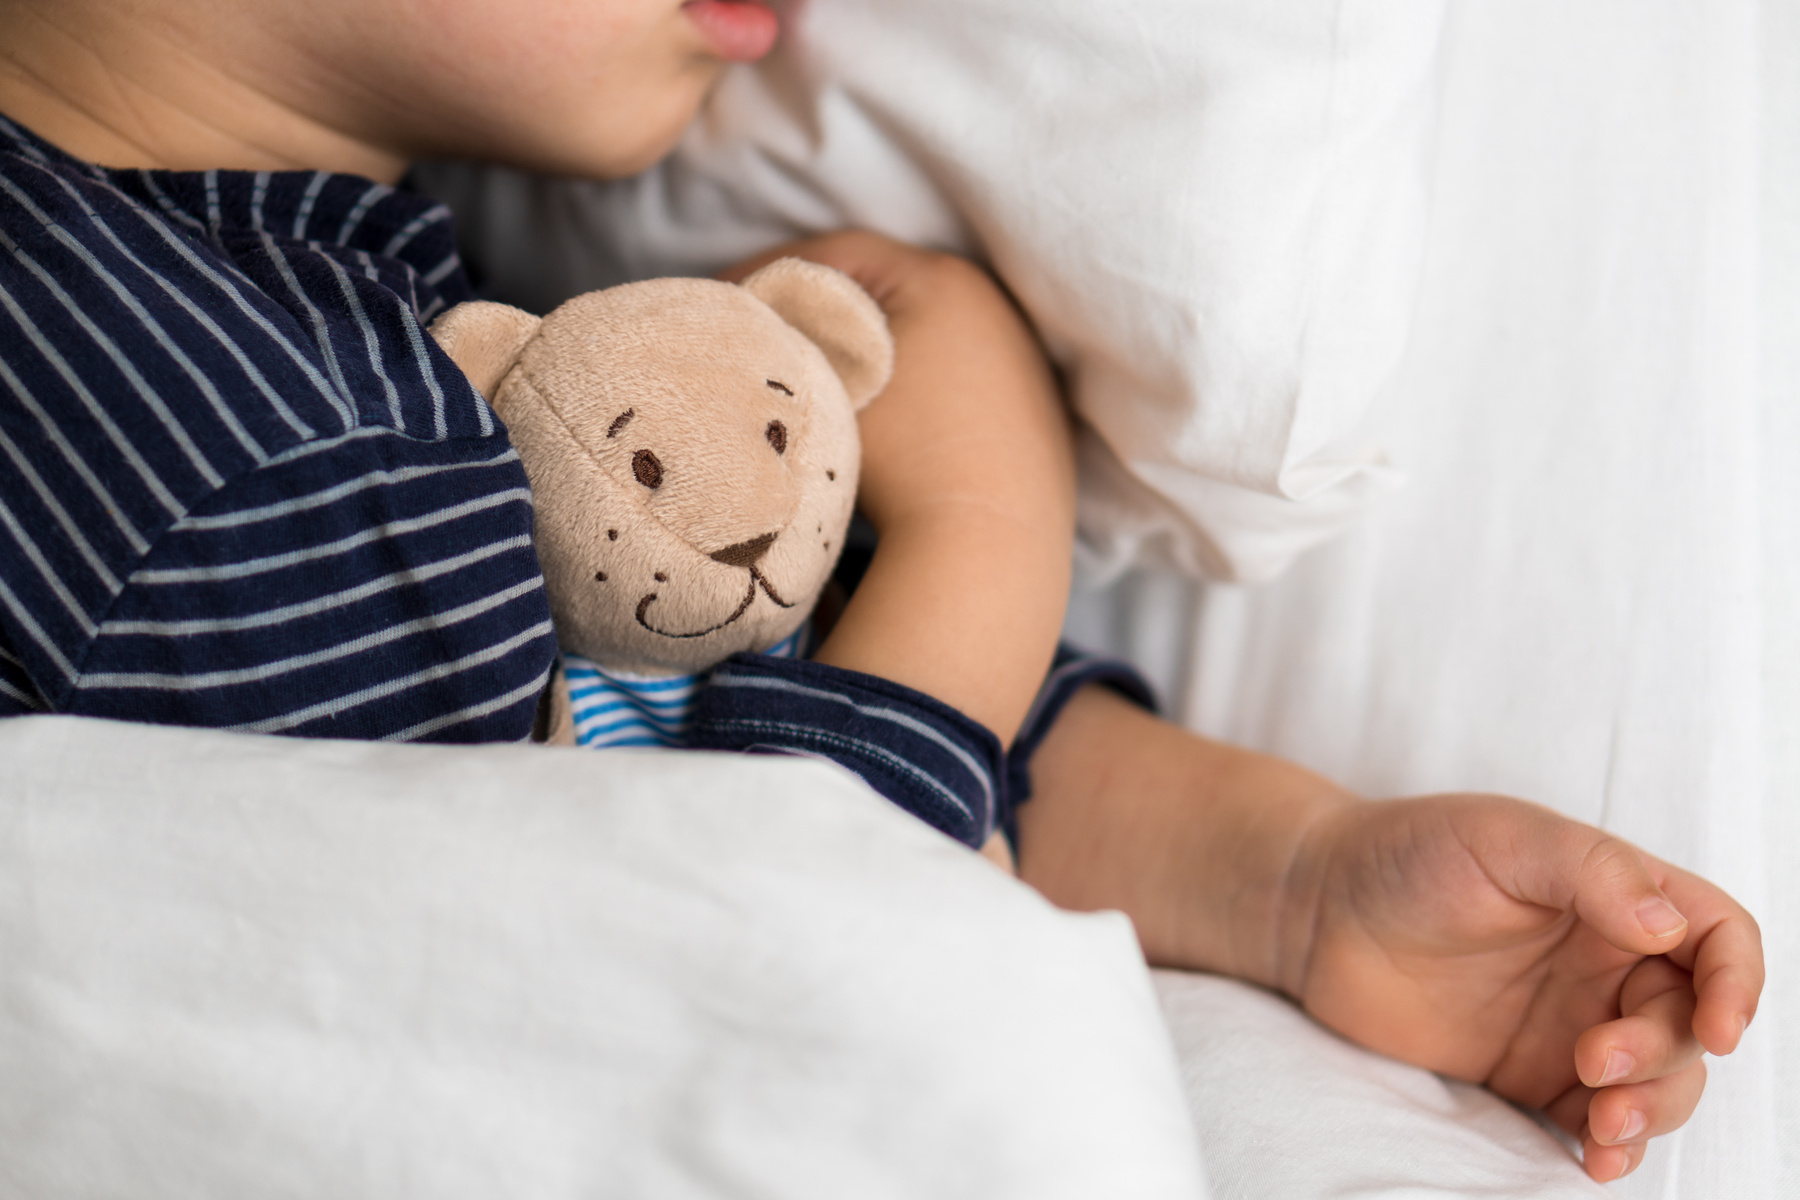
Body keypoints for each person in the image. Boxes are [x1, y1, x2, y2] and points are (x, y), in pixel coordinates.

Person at [0, 0, 1762, 1185]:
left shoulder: (300, 330)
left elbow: (715, 709)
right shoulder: (278, 464)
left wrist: (1291, 883)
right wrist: (990, 510)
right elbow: (757, 945)